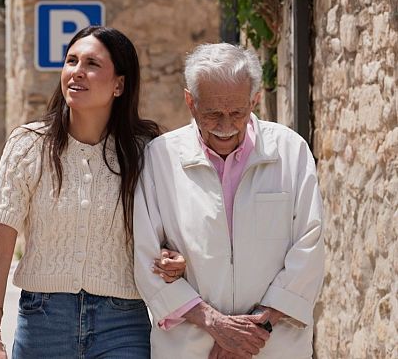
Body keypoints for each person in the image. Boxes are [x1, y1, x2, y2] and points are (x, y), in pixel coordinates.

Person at [0, 26, 184, 358]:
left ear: (119, 84)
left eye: (92, 64)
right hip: (43, 321)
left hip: (123, 323)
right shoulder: (28, 145)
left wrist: (174, 258)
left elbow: (170, 235)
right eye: (71, 60)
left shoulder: (146, 151)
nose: (77, 71)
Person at [133, 43, 324, 359]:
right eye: (212, 114)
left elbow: (310, 245)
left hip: (274, 345)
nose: (226, 126)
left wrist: (254, 332)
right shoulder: (159, 158)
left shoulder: (291, 151)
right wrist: (215, 324)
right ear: (190, 102)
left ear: (255, 100)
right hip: (190, 346)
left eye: (237, 112)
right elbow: (145, 255)